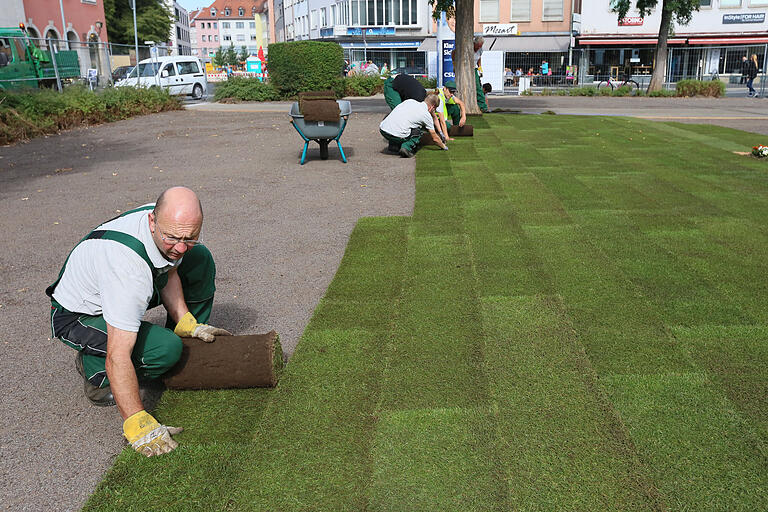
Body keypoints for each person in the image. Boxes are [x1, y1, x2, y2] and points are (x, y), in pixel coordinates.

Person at [47, 186, 230, 457]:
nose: (180, 246)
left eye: (189, 237)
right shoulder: (127, 271)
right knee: (165, 350)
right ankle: (93, 366)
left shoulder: (169, 223)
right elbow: (119, 355)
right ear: (152, 222)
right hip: (78, 316)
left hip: (120, 285)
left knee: (198, 257)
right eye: (172, 238)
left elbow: (170, 268)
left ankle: (186, 344)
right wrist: (137, 421)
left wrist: (186, 321)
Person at [379, 95, 448, 158]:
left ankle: (393, 146)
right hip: (397, 135)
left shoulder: (410, 101)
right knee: (418, 132)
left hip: (383, 129)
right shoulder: (426, 115)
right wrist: (443, 146)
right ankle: (406, 148)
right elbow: (435, 138)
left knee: (403, 124)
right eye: (435, 109)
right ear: (433, 107)